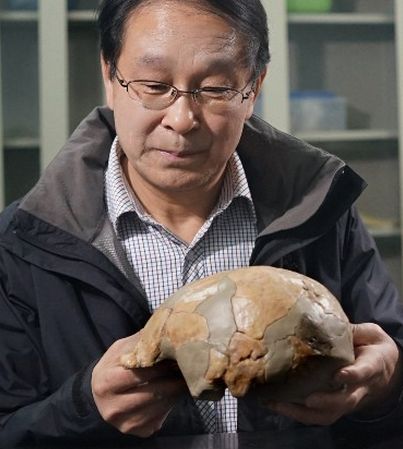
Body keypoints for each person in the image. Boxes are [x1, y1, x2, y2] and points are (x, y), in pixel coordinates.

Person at [1, 0, 403, 446]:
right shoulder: (25, 242)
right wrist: (81, 410)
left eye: (215, 88)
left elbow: (387, 377)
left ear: (253, 88)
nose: (181, 119)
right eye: (153, 85)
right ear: (110, 78)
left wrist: (386, 387)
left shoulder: (321, 213)